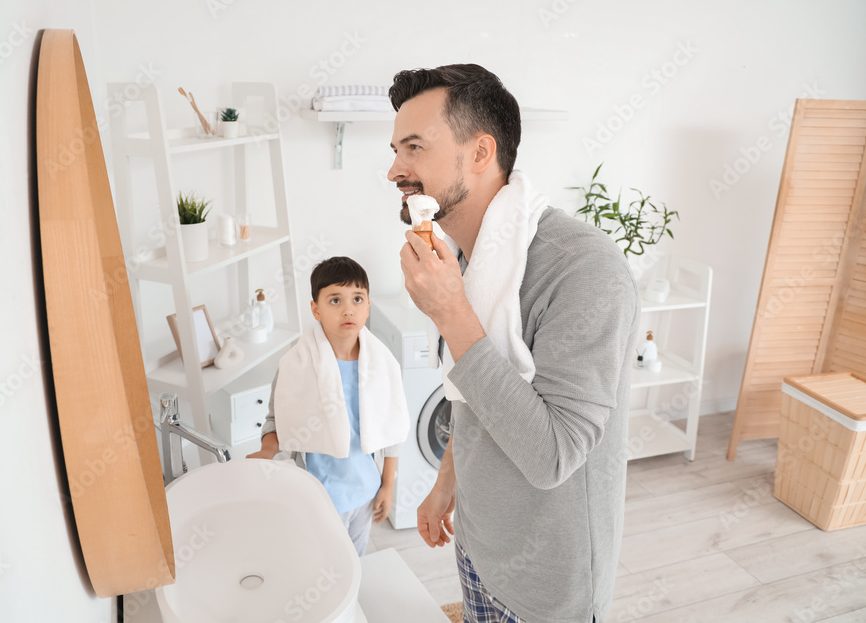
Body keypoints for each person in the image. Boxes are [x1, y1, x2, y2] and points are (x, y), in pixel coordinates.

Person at [389, 64, 640, 622]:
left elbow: (553, 455)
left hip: (546, 588)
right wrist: (445, 479)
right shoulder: (467, 256)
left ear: (480, 153)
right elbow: (472, 392)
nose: (394, 169)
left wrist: (451, 311)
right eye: (395, 149)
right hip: (478, 546)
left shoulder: (583, 269)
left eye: (413, 148)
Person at [247, 256, 408, 557]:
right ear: (316, 309)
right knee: (319, 564)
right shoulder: (296, 364)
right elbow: (275, 420)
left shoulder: (382, 363)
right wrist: (269, 450)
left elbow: (393, 425)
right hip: (317, 496)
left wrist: (386, 484)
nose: (348, 309)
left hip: (363, 492)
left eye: (357, 299)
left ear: (368, 305)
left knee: (353, 564)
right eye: (335, 300)